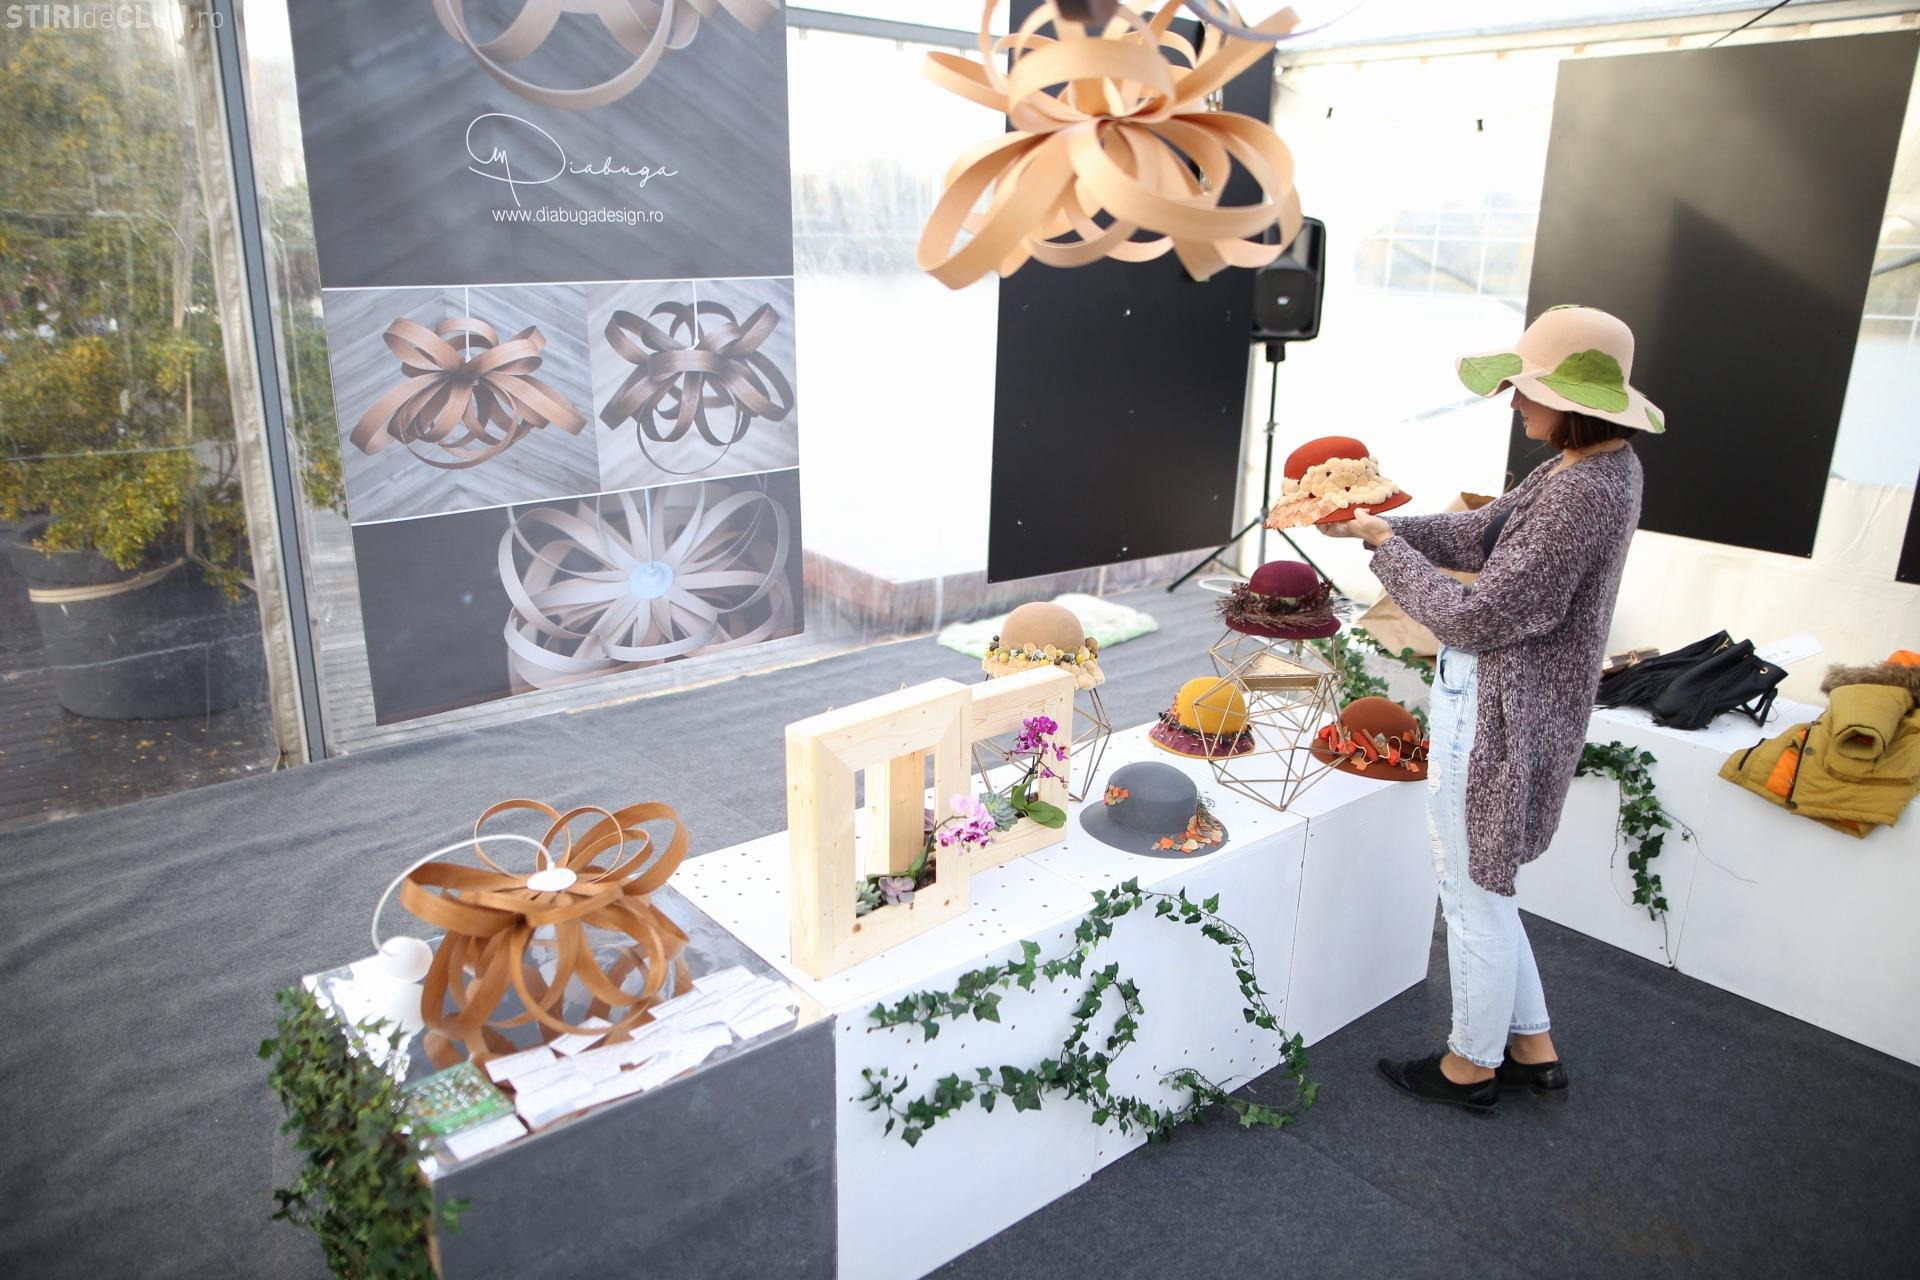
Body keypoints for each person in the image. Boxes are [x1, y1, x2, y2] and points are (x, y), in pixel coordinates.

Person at [1320, 305, 1658, 1113]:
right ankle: (1532, 1046)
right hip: (1514, 700)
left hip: (1500, 709)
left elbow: (1476, 617)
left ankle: (1470, 1067)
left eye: (1527, 388)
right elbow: (1479, 534)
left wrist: (1385, 548)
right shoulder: (1590, 468)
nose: (1514, 401)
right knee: (1490, 884)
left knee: (1472, 886)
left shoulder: (1582, 490)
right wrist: (1380, 526)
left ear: (1573, 402)